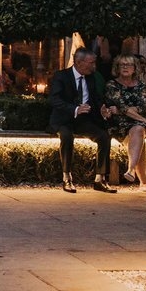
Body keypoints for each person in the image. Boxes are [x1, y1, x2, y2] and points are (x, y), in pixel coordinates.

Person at [48, 48, 116, 194]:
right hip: (64, 119)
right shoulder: (61, 76)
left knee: (104, 136)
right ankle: (67, 177)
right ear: (79, 62)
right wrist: (74, 109)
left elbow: (95, 99)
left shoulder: (91, 77)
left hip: (84, 120)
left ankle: (100, 179)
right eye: (91, 63)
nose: (94, 66)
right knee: (66, 136)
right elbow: (54, 99)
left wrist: (103, 109)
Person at [105, 53, 146, 193]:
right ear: (117, 67)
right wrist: (145, 120)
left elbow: (145, 107)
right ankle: (143, 182)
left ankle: (131, 170)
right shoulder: (112, 85)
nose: (125, 67)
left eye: (128, 64)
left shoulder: (141, 86)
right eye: (122, 64)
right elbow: (123, 106)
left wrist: (122, 110)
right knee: (140, 135)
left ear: (135, 68)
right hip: (119, 125)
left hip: (137, 125)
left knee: (138, 130)